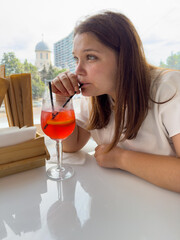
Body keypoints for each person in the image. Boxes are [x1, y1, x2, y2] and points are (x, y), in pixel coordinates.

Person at [52, 11, 180, 193]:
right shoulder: (96, 96)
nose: (77, 70)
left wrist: (121, 158)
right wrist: (62, 100)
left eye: (90, 57)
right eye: (76, 59)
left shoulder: (171, 89)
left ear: (125, 58)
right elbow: (70, 145)